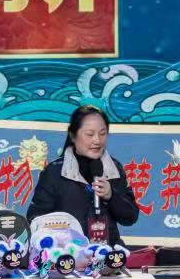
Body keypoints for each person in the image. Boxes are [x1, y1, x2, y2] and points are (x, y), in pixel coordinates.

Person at [27, 105, 140, 246]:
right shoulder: (55, 172)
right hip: (68, 255)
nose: (97, 140)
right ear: (73, 135)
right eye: (90, 134)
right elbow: (35, 219)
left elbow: (130, 217)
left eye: (102, 133)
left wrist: (111, 196)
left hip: (107, 254)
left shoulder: (114, 169)